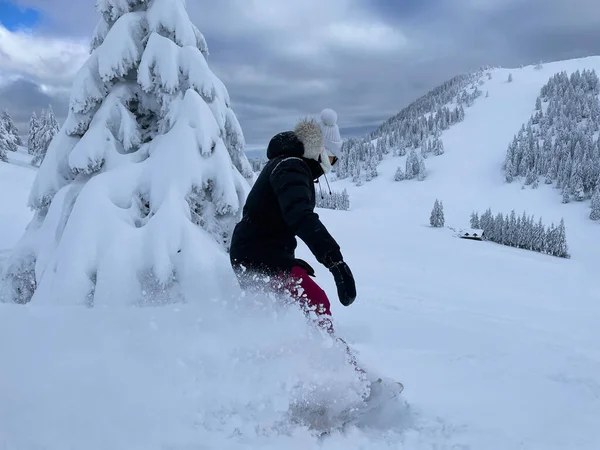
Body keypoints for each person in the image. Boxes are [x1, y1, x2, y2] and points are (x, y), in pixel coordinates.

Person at [229, 108, 356, 340]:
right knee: (316, 302)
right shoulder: (291, 167)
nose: (331, 165)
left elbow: (277, 219)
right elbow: (300, 216)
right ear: (318, 152)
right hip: (259, 256)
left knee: (274, 311)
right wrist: (335, 261)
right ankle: (329, 361)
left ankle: (273, 357)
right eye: (330, 158)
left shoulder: (287, 164)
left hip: (256, 253)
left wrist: (286, 259)